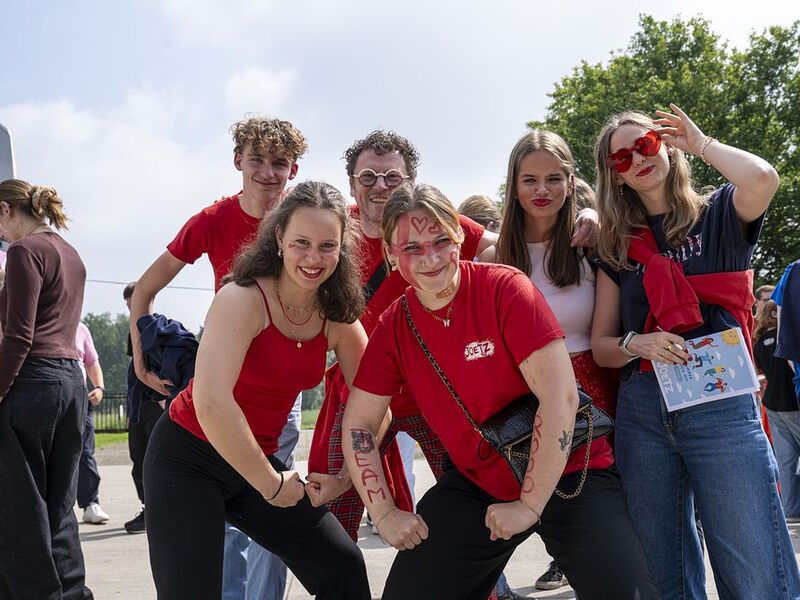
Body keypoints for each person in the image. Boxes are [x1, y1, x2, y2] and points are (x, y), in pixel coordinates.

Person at [342, 183, 659, 599]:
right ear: (390, 253)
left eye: (441, 240)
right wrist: (383, 513)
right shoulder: (395, 325)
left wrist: (528, 505)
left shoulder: (505, 287)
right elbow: (360, 423)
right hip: (479, 481)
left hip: (571, 471)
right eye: (412, 248)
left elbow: (559, 396)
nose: (431, 258)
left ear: (460, 237)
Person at [590, 104, 800, 598]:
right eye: (621, 158)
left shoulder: (720, 213)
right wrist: (636, 342)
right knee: (662, 572)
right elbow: (602, 346)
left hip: (722, 404)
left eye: (644, 144)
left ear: (664, 143)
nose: (637, 159)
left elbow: (764, 178)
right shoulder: (615, 245)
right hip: (644, 407)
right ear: (614, 177)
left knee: (754, 570)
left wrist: (701, 144)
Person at [143, 181, 370, 600]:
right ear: (279, 238)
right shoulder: (242, 298)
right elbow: (212, 402)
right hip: (189, 458)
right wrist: (270, 483)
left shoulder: (337, 317)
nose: (314, 258)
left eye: (327, 245)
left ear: (342, 249)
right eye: (302, 242)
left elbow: (375, 405)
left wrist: (343, 477)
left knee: (343, 568)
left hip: (257, 462)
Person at [130, 116, 306, 599]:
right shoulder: (213, 220)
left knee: (276, 504)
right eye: (257, 161)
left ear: (294, 169)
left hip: (279, 390)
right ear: (237, 162)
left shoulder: (304, 222)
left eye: (279, 163)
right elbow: (144, 290)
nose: (268, 173)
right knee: (227, 516)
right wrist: (141, 358)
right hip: (221, 382)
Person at [306, 130, 496, 540]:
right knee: (330, 512)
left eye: (392, 177)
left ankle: (484, 588)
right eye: (369, 176)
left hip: (433, 390)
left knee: (468, 497)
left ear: (410, 181)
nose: (380, 187)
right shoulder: (336, 228)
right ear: (351, 183)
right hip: (360, 389)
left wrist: (585, 220)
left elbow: (503, 247)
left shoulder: (430, 222)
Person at [481, 131, 620, 594]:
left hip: (594, 406)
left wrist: (594, 214)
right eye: (530, 179)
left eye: (554, 179)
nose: (542, 191)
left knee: (600, 545)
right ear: (513, 185)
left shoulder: (591, 246)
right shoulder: (493, 257)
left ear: (570, 181)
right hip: (522, 411)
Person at [0, 179, 92, 599]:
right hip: (72, 382)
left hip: (32, 384)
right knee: (60, 507)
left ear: (7, 210)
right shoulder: (70, 254)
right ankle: (73, 593)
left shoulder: (22, 251)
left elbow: (18, 336)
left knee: (21, 512)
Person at [122, 281, 164, 534]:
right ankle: (148, 508)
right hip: (139, 406)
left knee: (155, 460)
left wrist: (164, 400)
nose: (131, 306)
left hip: (154, 405)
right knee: (138, 459)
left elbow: (165, 364)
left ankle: (159, 511)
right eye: (128, 304)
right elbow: (135, 371)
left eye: (134, 301)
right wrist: (131, 410)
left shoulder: (158, 327)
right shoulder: (133, 330)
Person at [754, 297, 800, 521]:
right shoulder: (788, 339)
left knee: (785, 460)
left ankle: (791, 511)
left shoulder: (759, 341)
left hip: (772, 403)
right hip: (792, 402)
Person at [75, 321, 110, 524]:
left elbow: (91, 361)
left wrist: (99, 387)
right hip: (43, 395)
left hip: (79, 398)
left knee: (85, 453)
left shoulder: (80, 328)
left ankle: (90, 504)